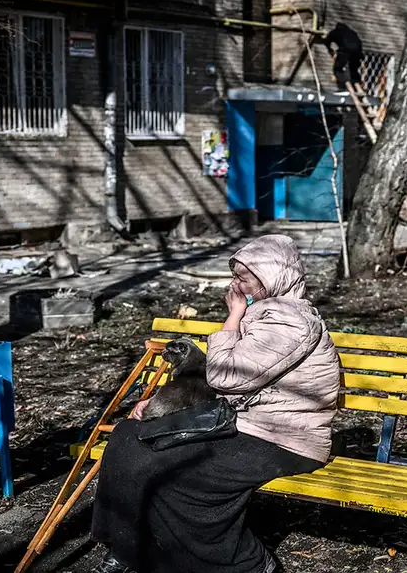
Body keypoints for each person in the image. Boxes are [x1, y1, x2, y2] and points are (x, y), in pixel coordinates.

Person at [90, 234, 341, 573]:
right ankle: (128, 546)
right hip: (246, 424)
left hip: (286, 439)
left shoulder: (290, 322)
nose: (234, 284)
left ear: (271, 277)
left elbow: (226, 376)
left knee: (182, 479)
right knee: (128, 438)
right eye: (234, 274)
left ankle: (251, 564)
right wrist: (163, 403)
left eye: (243, 277)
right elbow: (228, 384)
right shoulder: (269, 313)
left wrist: (233, 315)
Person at [315, 22, 364, 93]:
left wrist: (329, 49)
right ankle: (357, 84)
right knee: (353, 69)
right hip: (357, 53)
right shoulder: (352, 32)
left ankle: (343, 87)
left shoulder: (335, 32)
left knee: (337, 69)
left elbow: (326, 41)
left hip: (345, 51)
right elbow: (359, 42)